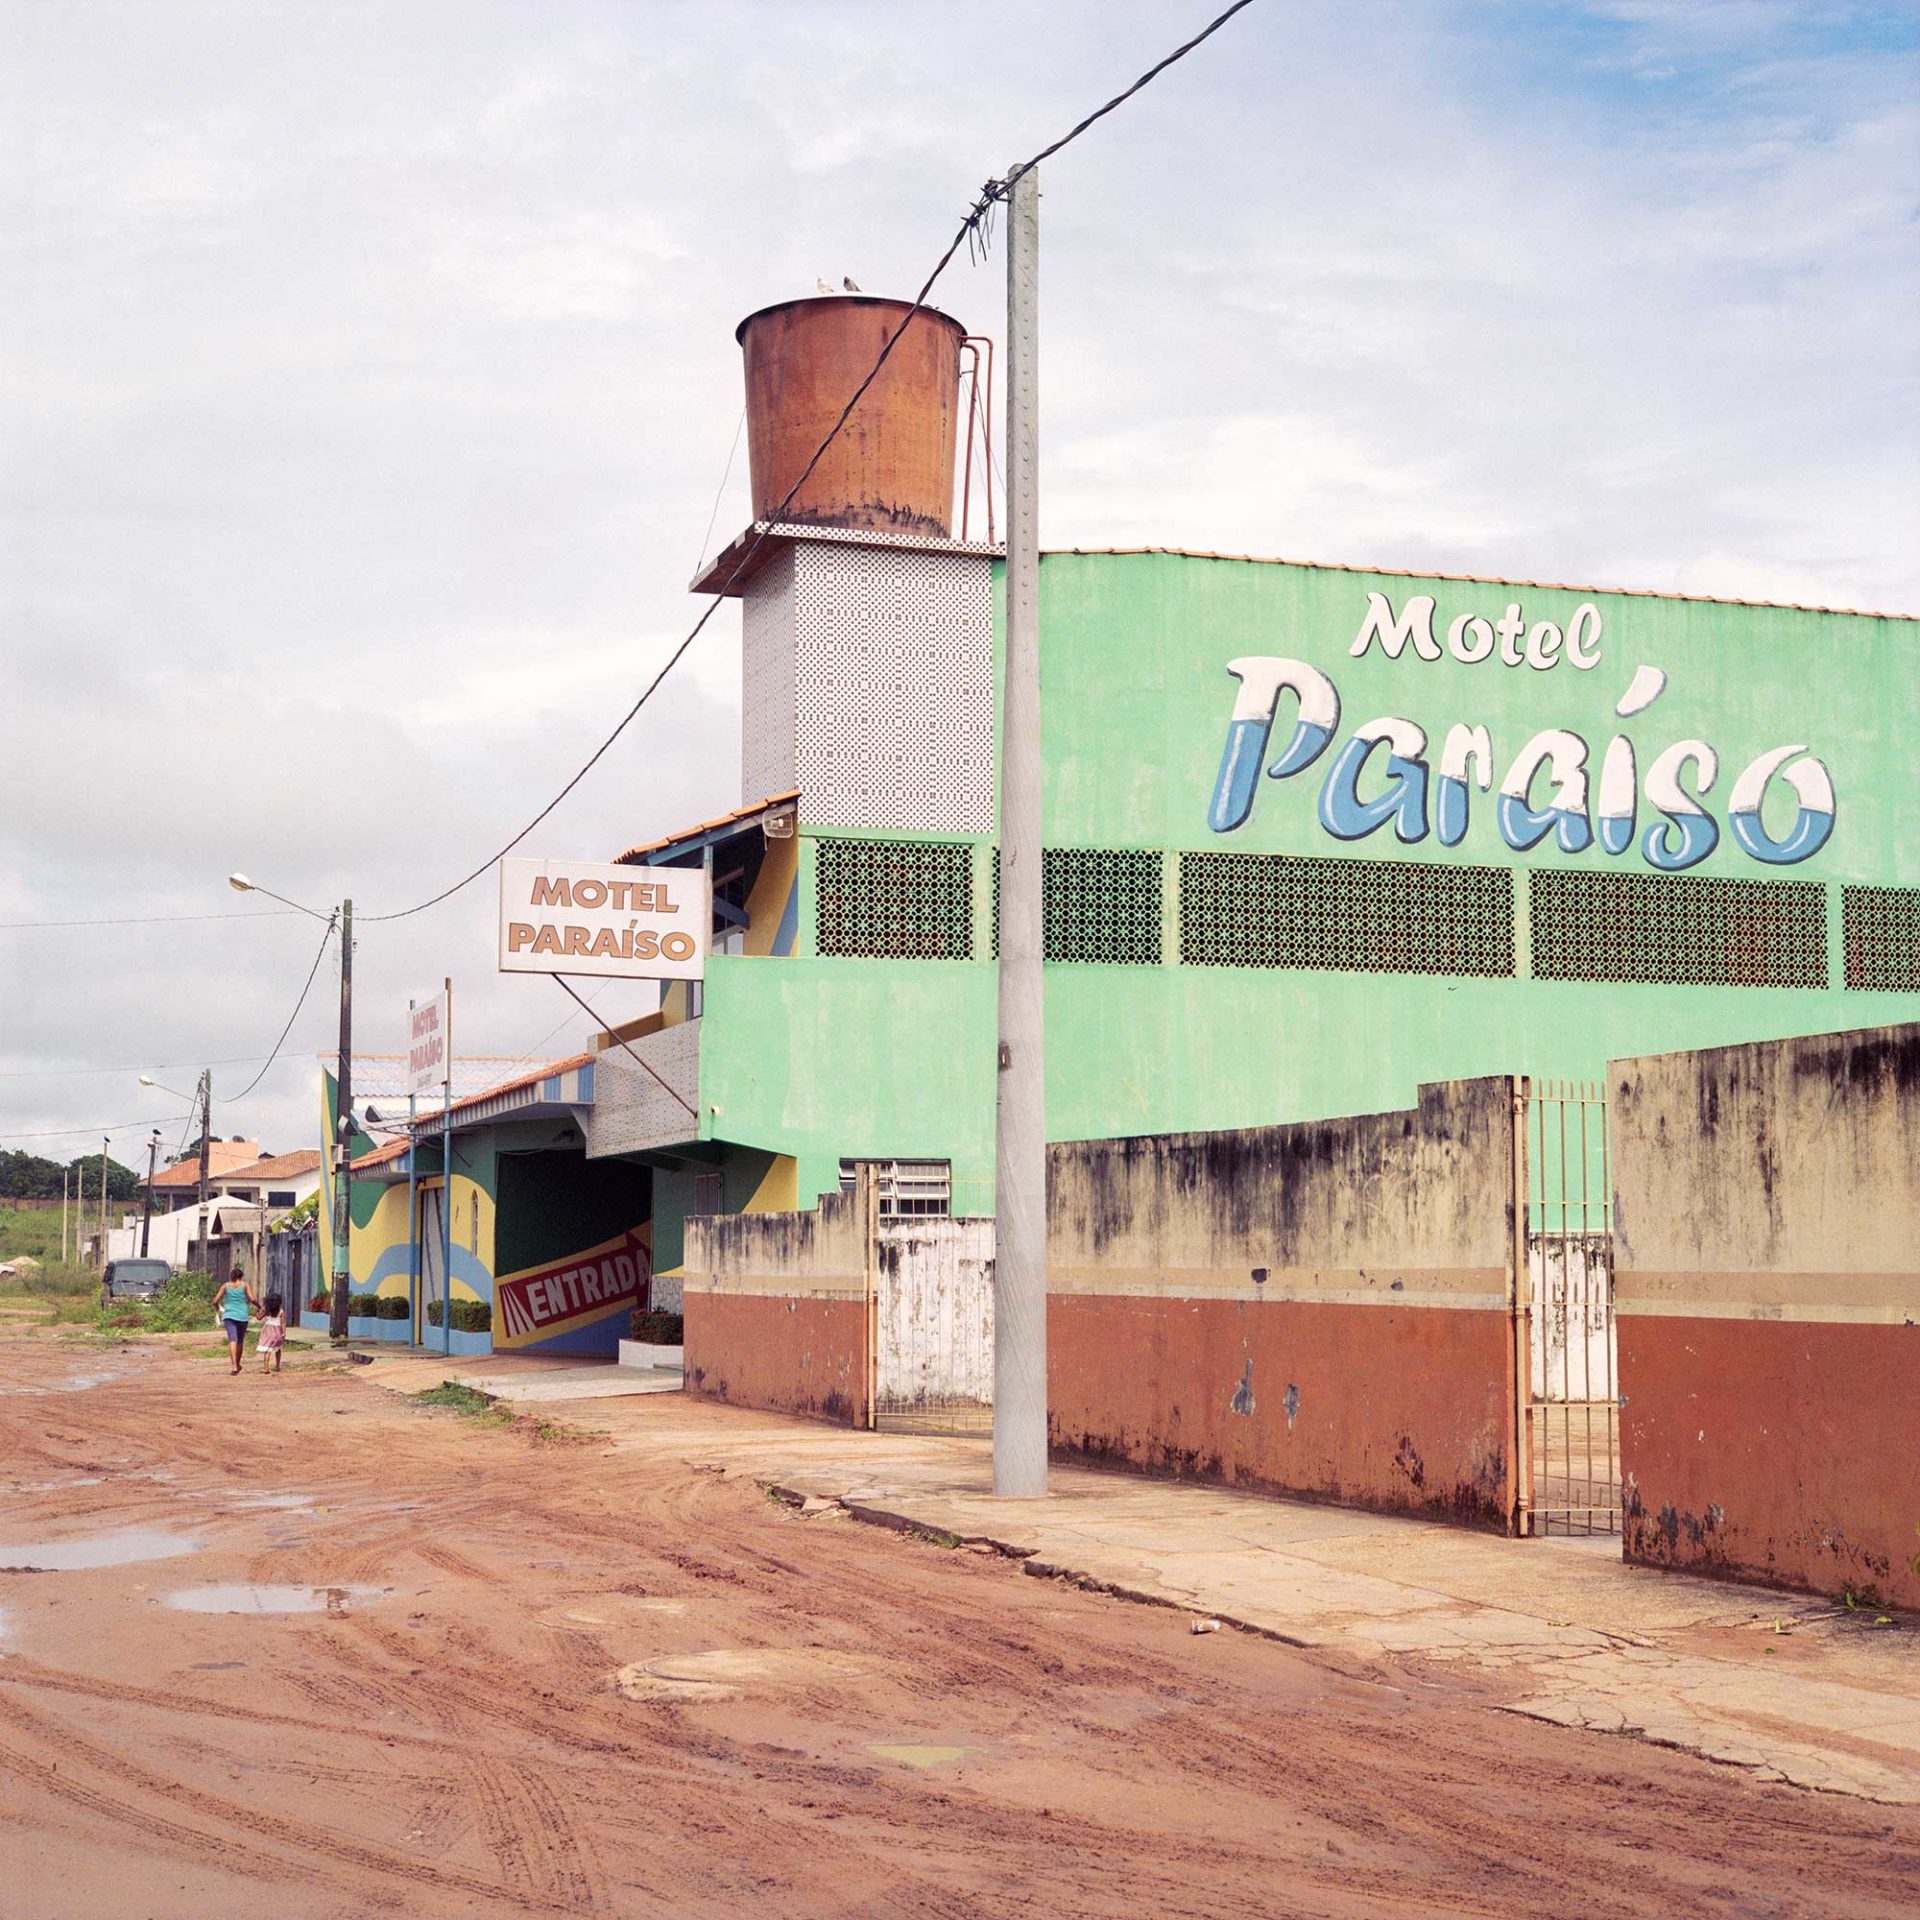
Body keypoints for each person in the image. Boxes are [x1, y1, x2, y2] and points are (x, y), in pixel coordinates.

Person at [213, 1266, 259, 1376]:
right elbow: (252, 1299)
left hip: (229, 1315)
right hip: (242, 1315)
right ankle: (237, 1364)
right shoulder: (245, 1285)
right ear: (241, 1276)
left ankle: (234, 1366)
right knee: (240, 1341)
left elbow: (215, 1300)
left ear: (231, 1276)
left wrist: (218, 1308)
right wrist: (259, 1307)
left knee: (232, 1339)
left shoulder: (225, 1286)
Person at [257, 1291, 287, 1376]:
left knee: (267, 1350)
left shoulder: (266, 1310)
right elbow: (283, 1322)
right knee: (278, 1349)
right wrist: (284, 1333)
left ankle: (266, 1368)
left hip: (268, 1332)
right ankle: (277, 1366)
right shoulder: (281, 1311)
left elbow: (258, 1317)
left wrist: (257, 1311)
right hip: (277, 1332)